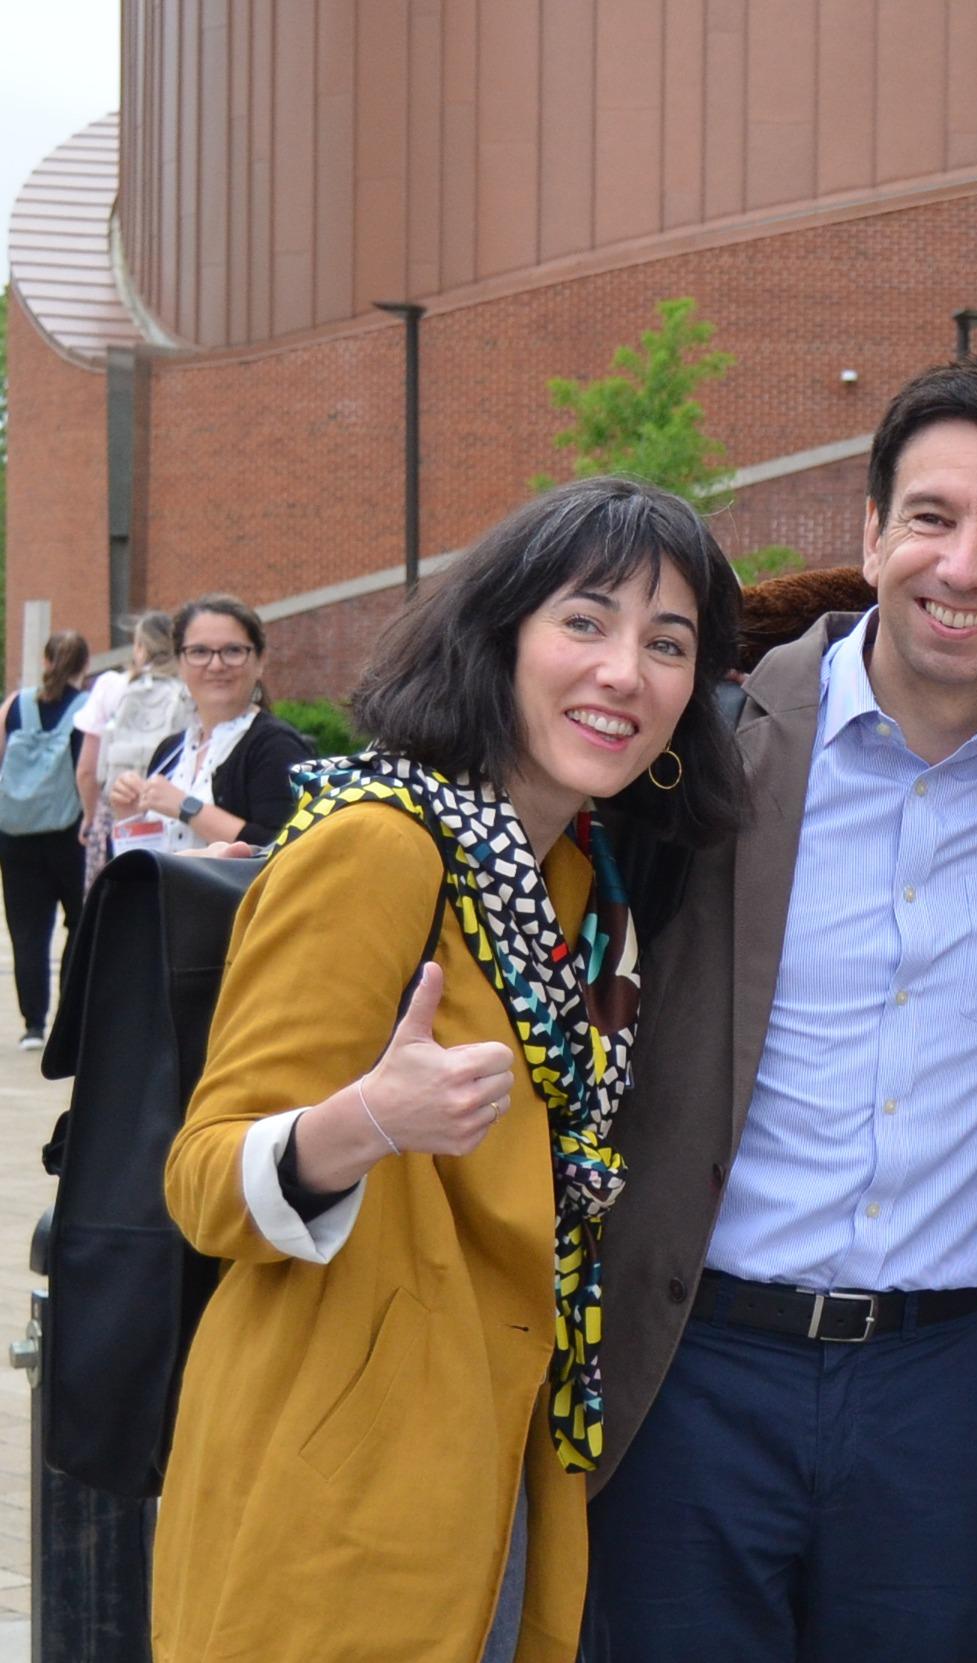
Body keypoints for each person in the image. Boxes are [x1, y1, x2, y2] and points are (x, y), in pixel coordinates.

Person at [585, 358, 977, 1662]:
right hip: (695, 1366)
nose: (964, 564)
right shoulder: (706, 751)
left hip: (941, 1388)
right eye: (932, 517)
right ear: (870, 533)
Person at [149, 476, 746, 1663]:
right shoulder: (377, 847)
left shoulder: (582, 879)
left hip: (507, 1452)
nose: (625, 670)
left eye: (666, 641)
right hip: (340, 1481)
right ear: (499, 636)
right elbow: (206, 1180)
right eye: (585, 621)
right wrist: (363, 1120)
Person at [104, 596, 311, 852]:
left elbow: (285, 847)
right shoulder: (170, 750)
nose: (216, 665)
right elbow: (139, 864)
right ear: (180, 663)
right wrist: (130, 815)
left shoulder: (276, 747)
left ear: (260, 661)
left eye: (233, 651)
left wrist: (186, 807)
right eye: (199, 652)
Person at [0, 630, 92, 1045]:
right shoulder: (88, 708)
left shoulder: (14, 706)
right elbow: (88, 772)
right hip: (71, 832)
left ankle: (32, 1025)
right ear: (84, 666)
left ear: (46, 661)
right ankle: (66, 1025)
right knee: (80, 924)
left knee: (28, 932)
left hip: (16, 832)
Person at [73, 611, 194, 886]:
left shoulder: (112, 686)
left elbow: (86, 770)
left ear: (141, 647)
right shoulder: (189, 689)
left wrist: (90, 815)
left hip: (118, 808)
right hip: (173, 810)